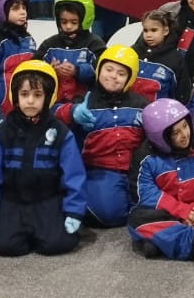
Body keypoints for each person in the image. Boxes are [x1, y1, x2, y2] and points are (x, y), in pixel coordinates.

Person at [0, 60, 87, 256]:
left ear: (48, 97)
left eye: (37, 95)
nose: (30, 101)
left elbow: (74, 174)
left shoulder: (60, 132)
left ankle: (47, 229)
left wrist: (74, 210)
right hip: (12, 200)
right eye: (24, 94)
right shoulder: (3, 132)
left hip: (47, 199)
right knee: (5, 246)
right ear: (15, 96)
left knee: (56, 245)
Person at [127, 98, 194, 266]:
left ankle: (161, 242)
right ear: (160, 137)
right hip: (165, 212)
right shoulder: (145, 157)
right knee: (136, 220)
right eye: (175, 133)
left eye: (185, 126)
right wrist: (181, 211)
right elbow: (145, 192)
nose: (184, 135)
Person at [57, 46, 147, 227]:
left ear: (129, 79)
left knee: (155, 205)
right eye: (109, 69)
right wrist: (72, 111)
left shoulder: (142, 104)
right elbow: (51, 113)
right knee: (109, 215)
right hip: (100, 170)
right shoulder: (85, 101)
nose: (113, 76)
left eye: (121, 73)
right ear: (99, 70)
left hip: (136, 169)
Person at [37, 0, 106, 103]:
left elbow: (103, 71)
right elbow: (34, 68)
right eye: (64, 22)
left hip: (86, 103)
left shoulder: (95, 43)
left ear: (85, 20)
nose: (68, 26)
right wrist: (49, 70)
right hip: (54, 103)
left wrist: (77, 71)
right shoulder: (49, 44)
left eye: (74, 22)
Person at [131, 9, 189, 103]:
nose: (148, 35)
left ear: (165, 31)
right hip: (131, 110)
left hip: (159, 110)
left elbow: (181, 95)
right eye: (145, 30)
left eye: (154, 30)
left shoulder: (175, 59)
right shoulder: (132, 52)